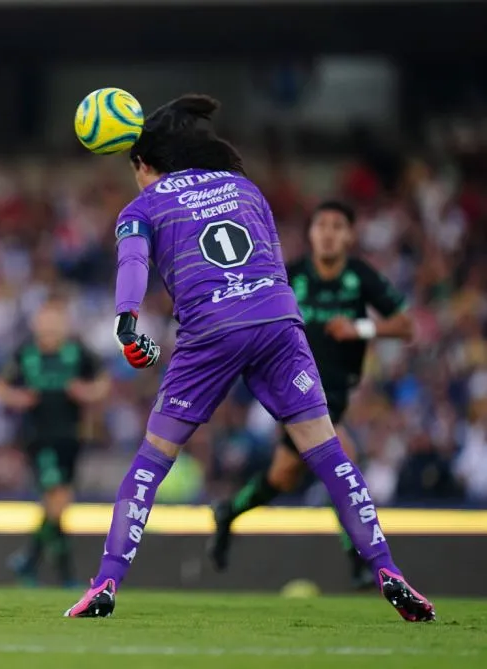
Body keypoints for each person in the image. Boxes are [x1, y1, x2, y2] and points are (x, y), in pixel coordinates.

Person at [64, 95, 434, 623]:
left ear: (144, 165)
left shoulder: (143, 206)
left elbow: (132, 262)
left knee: (149, 463)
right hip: (278, 319)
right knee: (329, 454)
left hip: (210, 331)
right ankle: (388, 570)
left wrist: (127, 322)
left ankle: (105, 583)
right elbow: (272, 257)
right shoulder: (244, 186)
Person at [208, 200, 413, 589]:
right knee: (342, 459)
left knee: (283, 476)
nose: (329, 232)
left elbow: (406, 326)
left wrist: (361, 330)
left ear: (350, 235)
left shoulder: (360, 276)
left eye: (338, 226)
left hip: (336, 390)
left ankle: (229, 511)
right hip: (296, 386)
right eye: (322, 225)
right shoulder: (292, 274)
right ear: (311, 233)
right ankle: (358, 557)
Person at [0, 295, 110, 587]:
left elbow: (102, 382)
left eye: (56, 322)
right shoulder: (26, 353)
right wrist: (19, 398)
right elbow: (0, 386)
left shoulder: (77, 352)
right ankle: (58, 571)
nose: (50, 328)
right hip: (39, 437)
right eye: (45, 322)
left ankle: (31, 561)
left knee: (58, 505)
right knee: (57, 499)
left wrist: (87, 392)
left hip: (71, 437)